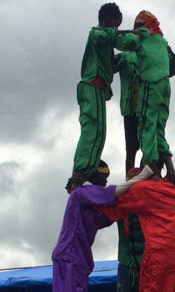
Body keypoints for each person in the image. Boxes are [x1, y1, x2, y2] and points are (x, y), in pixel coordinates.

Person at [48, 162, 154, 292]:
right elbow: (111, 193)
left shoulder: (91, 204)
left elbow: (113, 210)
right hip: (70, 259)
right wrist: (143, 177)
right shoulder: (82, 193)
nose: (105, 183)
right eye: (103, 180)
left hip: (76, 261)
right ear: (92, 179)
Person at [67, 3, 136, 189]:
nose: (116, 29)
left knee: (99, 132)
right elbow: (110, 37)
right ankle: (81, 173)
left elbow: (109, 66)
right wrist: (134, 35)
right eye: (115, 25)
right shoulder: (96, 34)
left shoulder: (103, 44)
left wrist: (123, 59)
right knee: (94, 132)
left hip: (95, 89)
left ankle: (84, 171)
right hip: (92, 87)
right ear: (107, 20)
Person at [119, 10, 175, 175]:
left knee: (151, 136)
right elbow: (111, 64)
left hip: (148, 99)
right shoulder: (126, 55)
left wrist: (165, 54)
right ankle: (131, 178)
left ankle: (152, 172)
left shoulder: (157, 46)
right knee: (132, 148)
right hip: (131, 108)